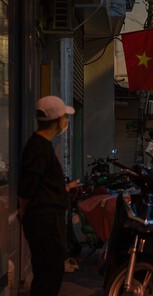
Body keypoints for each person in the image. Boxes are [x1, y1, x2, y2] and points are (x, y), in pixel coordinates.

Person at [17, 96, 80, 296]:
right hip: (44, 220)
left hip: (46, 217)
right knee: (49, 271)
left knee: (49, 270)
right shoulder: (39, 146)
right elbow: (28, 186)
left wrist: (64, 188)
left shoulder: (41, 145)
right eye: (65, 118)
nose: (66, 122)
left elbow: (40, 183)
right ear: (57, 120)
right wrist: (23, 210)